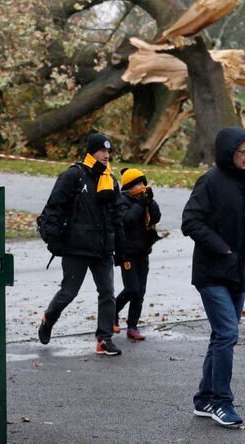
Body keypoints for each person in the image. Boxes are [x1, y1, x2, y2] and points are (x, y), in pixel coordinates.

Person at [182, 127, 245, 429]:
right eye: (242, 151)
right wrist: (224, 250)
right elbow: (190, 221)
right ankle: (222, 402)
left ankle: (204, 398)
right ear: (227, 153)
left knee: (221, 336)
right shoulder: (210, 182)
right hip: (212, 273)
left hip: (239, 274)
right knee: (228, 333)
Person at [35, 132, 124, 356]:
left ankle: (104, 339)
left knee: (107, 293)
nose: (106, 155)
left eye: (108, 151)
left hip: (103, 249)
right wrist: (53, 240)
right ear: (91, 152)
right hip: (76, 247)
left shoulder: (110, 179)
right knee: (68, 292)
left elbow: (117, 215)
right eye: (102, 150)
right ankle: (49, 318)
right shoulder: (74, 176)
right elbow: (53, 209)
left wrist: (121, 245)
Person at [111, 167, 164, 342]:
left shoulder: (144, 201)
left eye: (143, 183)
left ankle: (132, 326)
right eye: (138, 184)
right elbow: (127, 221)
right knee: (131, 288)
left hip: (143, 252)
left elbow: (155, 217)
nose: (142, 186)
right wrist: (140, 204)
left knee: (140, 292)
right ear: (129, 186)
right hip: (127, 253)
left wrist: (151, 202)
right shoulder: (122, 201)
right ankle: (112, 311)